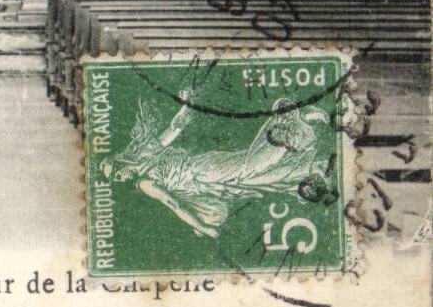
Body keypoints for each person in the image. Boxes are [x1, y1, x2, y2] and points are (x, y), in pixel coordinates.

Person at [104, 91, 333, 240]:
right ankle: (313, 165)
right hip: (206, 179)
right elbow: (176, 201)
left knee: (251, 167)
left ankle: (292, 116)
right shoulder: (145, 170)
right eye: (115, 179)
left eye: (116, 172)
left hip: (203, 171)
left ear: (120, 162)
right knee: (255, 177)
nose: (119, 178)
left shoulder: (146, 176)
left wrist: (203, 228)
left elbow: (174, 203)